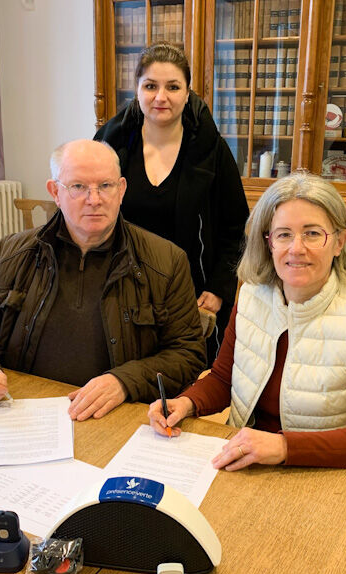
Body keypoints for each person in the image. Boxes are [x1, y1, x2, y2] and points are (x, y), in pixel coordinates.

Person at [148, 172, 346, 469]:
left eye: (312, 233)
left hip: (322, 473)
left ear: (339, 242)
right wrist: (186, 403)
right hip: (245, 458)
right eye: (284, 234)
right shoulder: (251, 297)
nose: (296, 248)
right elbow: (223, 378)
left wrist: (284, 446)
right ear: (269, 243)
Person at [0, 139, 206, 421]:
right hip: (23, 412)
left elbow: (188, 354)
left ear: (121, 190)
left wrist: (125, 382)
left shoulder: (166, 261)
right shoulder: (13, 253)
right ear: (55, 192)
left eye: (105, 186)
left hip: (118, 417)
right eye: (78, 187)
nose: (94, 199)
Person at [94, 42, 248, 364]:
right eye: (150, 86)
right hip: (122, 294)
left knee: (185, 389)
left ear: (188, 92)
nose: (160, 97)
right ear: (136, 90)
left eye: (173, 87)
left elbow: (236, 229)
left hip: (192, 298)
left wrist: (219, 289)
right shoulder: (110, 149)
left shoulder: (213, 152)